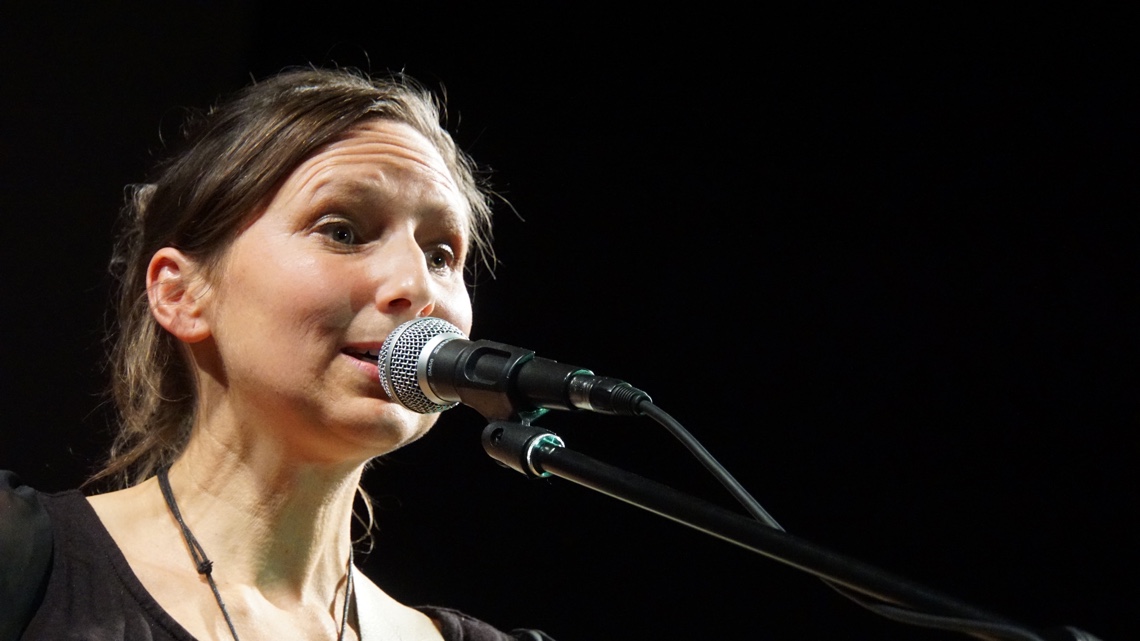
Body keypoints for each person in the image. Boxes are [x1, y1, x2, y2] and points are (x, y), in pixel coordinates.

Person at [0, 67, 554, 641]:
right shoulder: (19, 558)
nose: (417, 286)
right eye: (342, 231)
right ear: (182, 294)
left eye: (440, 255)